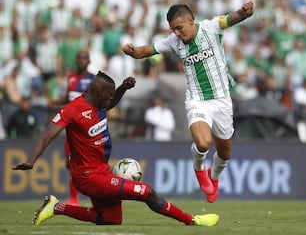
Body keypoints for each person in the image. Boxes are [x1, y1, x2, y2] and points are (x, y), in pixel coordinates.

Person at [12, 71, 219, 227]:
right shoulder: (73, 110)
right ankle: (192, 220)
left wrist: (122, 88)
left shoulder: (98, 102)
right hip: (88, 177)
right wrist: (31, 160)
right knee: (147, 192)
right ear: (100, 92)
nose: (112, 99)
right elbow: (47, 134)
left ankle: (56, 207)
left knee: (110, 219)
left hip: (100, 171)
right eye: (110, 95)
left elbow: (109, 103)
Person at [123, 1, 254, 203]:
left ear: (191, 21)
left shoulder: (211, 27)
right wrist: (133, 51)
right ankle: (199, 169)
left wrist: (245, 12)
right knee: (203, 143)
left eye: (179, 27)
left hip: (221, 100)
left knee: (225, 153)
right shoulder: (173, 42)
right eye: (173, 29)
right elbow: (147, 50)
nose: (176, 33)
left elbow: (233, 18)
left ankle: (214, 177)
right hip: (196, 99)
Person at [48, 49, 96, 206]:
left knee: (88, 163)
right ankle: (73, 198)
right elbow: (68, 98)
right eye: (79, 58)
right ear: (77, 61)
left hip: (85, 125)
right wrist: (55, 102)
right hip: (71, 126)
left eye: (84, 58)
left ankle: (95, 196)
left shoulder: (93, 80)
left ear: (88, 61)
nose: (82, 61)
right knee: (70, 162)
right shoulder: (71, 78)